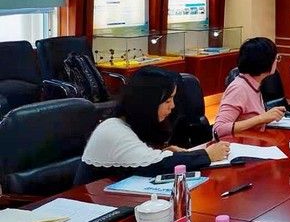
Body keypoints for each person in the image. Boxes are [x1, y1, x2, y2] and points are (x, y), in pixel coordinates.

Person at [74, 67, 230, 185]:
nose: (172, 106)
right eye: (167, 101)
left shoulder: (132, 124)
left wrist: (163, 152)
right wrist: (206, 155)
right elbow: (156, 164)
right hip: (91, 204)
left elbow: (143, 159)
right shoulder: (113, 129)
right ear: (148, 102)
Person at [213, 37, 286, 138]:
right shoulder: (239, 88)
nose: (277, 62)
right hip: (239, 145)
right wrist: (261, 118)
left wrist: (268, 117)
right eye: (276, 58)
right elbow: (218, 129)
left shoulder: (255, 84)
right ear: (265, 61)